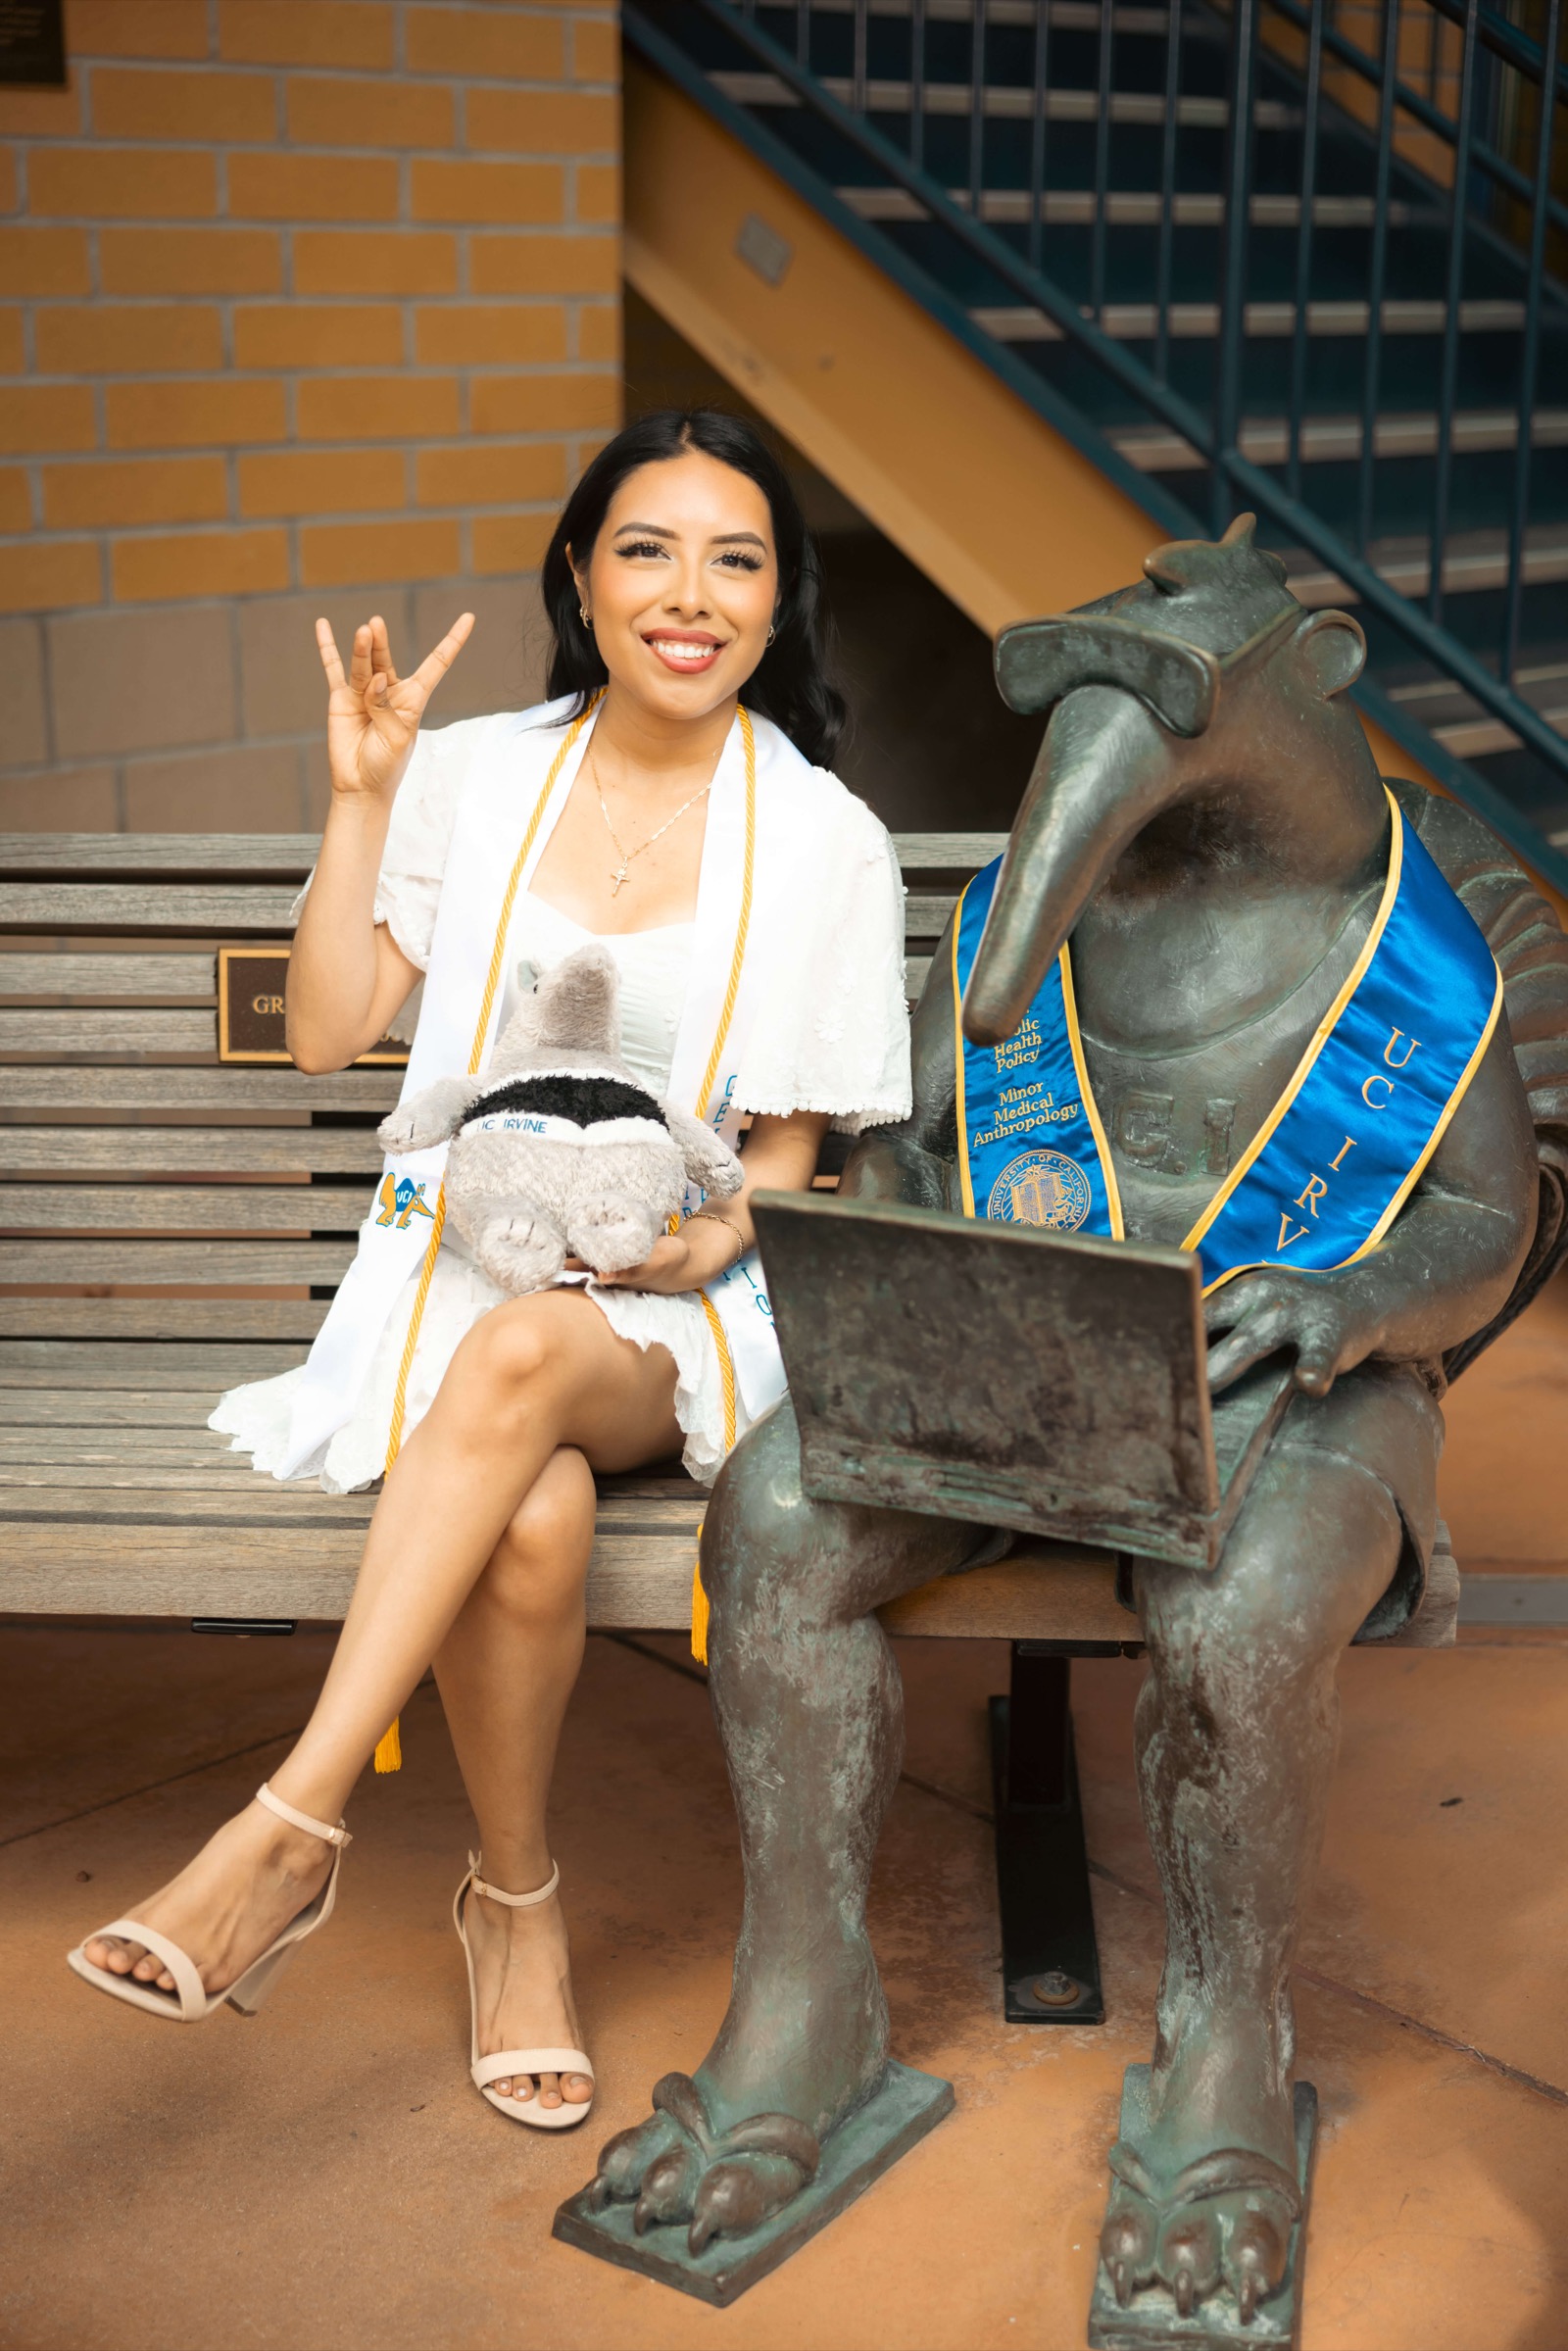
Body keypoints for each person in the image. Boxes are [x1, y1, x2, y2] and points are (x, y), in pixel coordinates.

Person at [68, 410, 912, 2132]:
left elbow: (784, 1163)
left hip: (680, 1305)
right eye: (648, 551)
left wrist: (707, 1238)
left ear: (778, 604)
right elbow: (326, 1035)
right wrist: (360, 797)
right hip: (464, 1273)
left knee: (526, 1358)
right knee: (528, 1510)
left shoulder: (826, 836)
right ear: (582, 580)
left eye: (736, 560)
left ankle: (285, 1830)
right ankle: (514, 1907)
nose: (691, 596)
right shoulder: (472, 774)